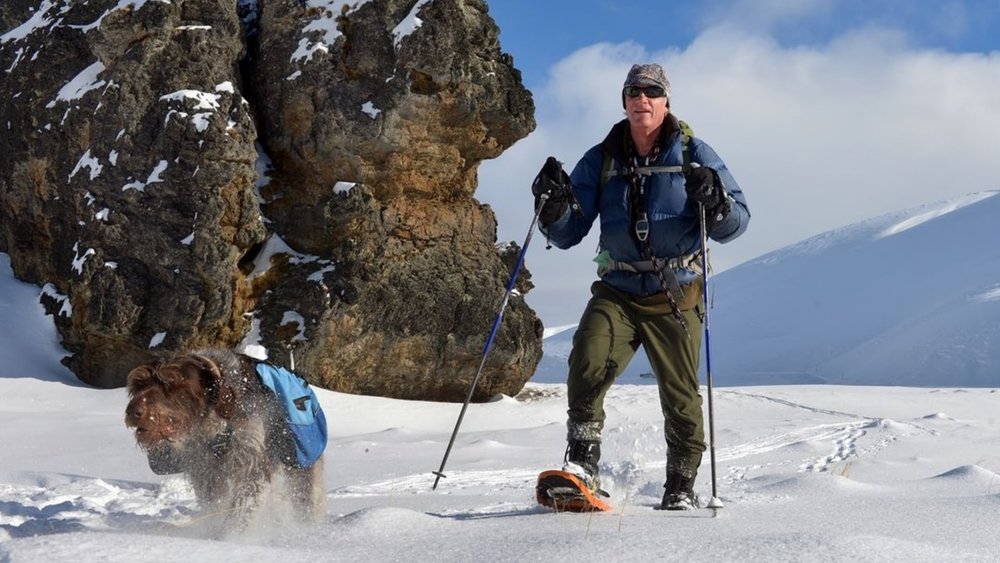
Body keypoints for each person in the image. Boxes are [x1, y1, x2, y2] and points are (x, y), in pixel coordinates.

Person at [530, 63, 749, 510]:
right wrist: (552, 209)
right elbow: (570, 232)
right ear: (624, 100)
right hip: (618, 287)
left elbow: (736, 222)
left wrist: (717, 200)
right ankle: (582, 465)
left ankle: (681, 484)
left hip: (677, 292)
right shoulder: (603, 158)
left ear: (666, 100)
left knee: (680, 395)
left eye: (651, 91)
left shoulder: (694, 152)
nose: (641, 98)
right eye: (633, 91)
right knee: (588, 357)